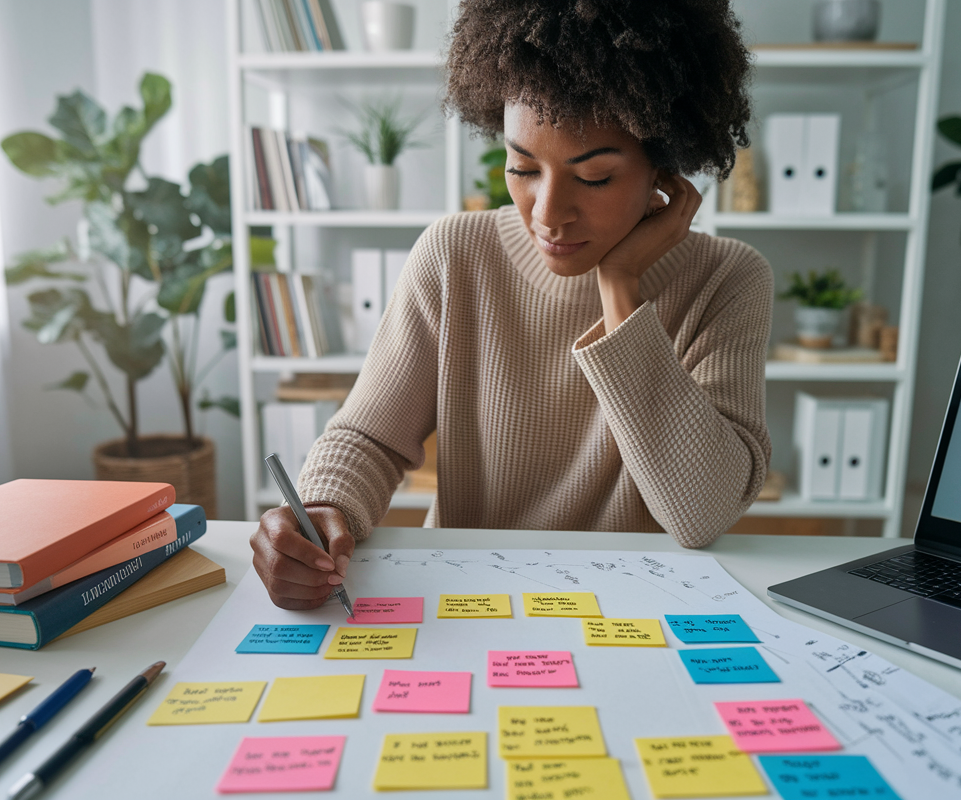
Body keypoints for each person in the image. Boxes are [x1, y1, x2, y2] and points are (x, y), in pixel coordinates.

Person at [251, 0, 771, 609]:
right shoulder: (454, 254)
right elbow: (371, 437)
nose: (548, 215)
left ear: (664, 167)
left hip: (632, 611)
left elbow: (702, 511)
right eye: (522, 167)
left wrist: (622, 284)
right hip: (471, 604)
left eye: (595, 178)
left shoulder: (728, 279)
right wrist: (320, 512)